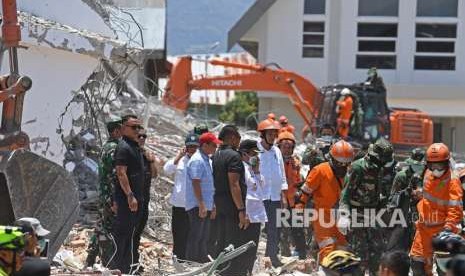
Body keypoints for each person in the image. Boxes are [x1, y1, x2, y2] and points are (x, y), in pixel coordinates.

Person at [339, 137, 394, 275]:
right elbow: (345, 194)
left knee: (378, 252)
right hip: (356, 216)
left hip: (372, 216)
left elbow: (376, 193)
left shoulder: (379, 170)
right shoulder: (357, 167)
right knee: (360, 255)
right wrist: (344, 216)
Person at [296, 140, 354, 263]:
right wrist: (299, 208)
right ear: (332, 159)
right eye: (340, 163)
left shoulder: (350, 173)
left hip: (341, 216)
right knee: (328, 247)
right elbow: (306, 191)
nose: (343, 167)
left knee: (343, 247)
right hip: (322, 215)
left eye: (346, 164)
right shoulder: (320, 170)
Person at [410, 143, 463, 276]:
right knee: (418, 263)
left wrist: (448, 229)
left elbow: (454, 208)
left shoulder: (453, 181)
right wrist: (420, 193)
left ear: (446, 163)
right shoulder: (428, 173)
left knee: (444, 269)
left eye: (439, 165)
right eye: (432, 165)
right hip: (423, 228)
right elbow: (431, 195)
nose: (436, 169)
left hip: (442, 230)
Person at [108, 115, 145, 274]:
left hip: (137, 198)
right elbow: (121, 173)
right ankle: (115, 268)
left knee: (130, 235)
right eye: (133, 127)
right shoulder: (123, 147)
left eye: (139, 127)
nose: (137, 130)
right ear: (123, 128)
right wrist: (130, 195)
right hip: (127, 200)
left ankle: (127, 268)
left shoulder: (134, 146)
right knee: (122, 235)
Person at [211, 125, 249, 274]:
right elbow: (234, 184)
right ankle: (229, 272)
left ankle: (218, 270)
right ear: (232, 138)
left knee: (220, 239)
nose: (239, 142)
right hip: (232, 205)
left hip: (219, 203)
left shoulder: (217, 155)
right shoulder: (234, 156)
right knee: (232, 240)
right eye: (239, 138)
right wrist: (241, 209)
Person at [86, 118, 122, 267]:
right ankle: (107, 261)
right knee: (107, 228)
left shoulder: (106, 146)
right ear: (115, 131)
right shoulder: (114, 148)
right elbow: (114, 176)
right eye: (121, 129)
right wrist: (114, 200)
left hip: (103, 194)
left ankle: (90, 259)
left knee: (101, 226)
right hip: (109, 196)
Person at [257, 118, 288, 267]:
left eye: (274, 134)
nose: (272, 137)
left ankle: (272, 257)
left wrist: (283, 194)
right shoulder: (255, 150)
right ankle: (251, 259)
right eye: (269, 134)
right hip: (258, 195)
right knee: (255, 227)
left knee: (274, 228)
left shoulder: (276, 151)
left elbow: (281, 173)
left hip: (274, 196)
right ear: (263, 134)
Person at [185, 132, 220, 263]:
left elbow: (209, 185)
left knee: (204, 235)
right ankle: (192, 262)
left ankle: (200, 261)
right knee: (196, 235)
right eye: (213, 145)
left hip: (206, 204)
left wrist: (212, 204)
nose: (215, 148)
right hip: (197, 205)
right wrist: (201, 204)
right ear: (204, 145)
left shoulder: (207, 160)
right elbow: (196, 182)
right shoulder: (197, 160)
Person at [164, 133, 199, 260]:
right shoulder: (180, 161)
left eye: (195, 147)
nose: (193, 150)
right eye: (190, 147)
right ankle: (177, 259)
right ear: (185, 147)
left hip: (194, 205)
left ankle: (189, 260)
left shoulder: (202, 161)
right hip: (179, 204)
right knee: (178, 233)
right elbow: (167, 169)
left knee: (192, 234)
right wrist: (178, 156)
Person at [385, 148, 426, 252]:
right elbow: (393, 196)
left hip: (420, 212)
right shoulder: (401, 176)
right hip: (402, 211)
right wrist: (408, 193)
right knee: (398, 234)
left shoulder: (426, 177)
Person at [239, 139, 268, 274]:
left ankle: (248, 271)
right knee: (244, 247)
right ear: (245, 154)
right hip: (248, 215)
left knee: (253, 247)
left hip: (256, 215)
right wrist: (245, 213)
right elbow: (244, 192)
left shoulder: (252, 169)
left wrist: (257, 171)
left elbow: (261, 188)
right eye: (253, 154)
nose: (256, 157)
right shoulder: (241, 168)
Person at [132, 127, 158, 272]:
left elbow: (154, 175)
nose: (142, 138)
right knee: (129, 233)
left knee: (138, 233)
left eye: (144, 136)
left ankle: (134, 261)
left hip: (144, 199)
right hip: (132, 201)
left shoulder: (145, 155)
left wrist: (152, 161)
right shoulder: (131, 153)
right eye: (139, 136)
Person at [277, 131, 306, 259]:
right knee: (281, 230)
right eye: (284, 147)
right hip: (280, 201)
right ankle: (281, 255)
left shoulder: (295, 162)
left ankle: (301, 254)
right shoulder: (275, 162)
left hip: (293, 201)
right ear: (279, 147)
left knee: (298, 229)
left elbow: (298, 180)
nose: (287, 150)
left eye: (290, 147)